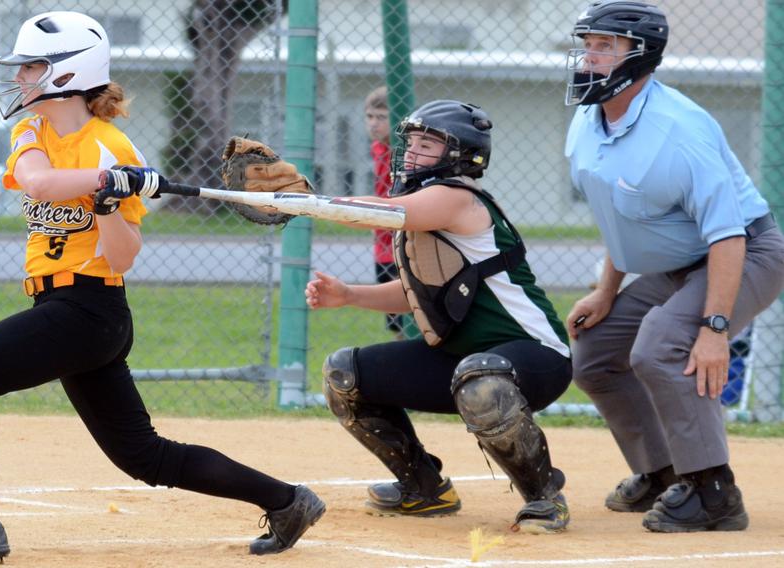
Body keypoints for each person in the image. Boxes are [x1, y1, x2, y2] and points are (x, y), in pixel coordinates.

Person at [0, 11, 323, 563]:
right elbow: (37, 179)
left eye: (31, 67)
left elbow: (124, 254)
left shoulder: (112, 147)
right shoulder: (32, 130)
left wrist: (109, 201)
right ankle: (288, 500)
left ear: (68, 74)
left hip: (90, 310)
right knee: (144, 456)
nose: (19, 79)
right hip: (60, 307)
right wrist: (102, 184)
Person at [564, 0, 784, 533]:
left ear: (641, 57)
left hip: (745, 252)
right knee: (594, 351)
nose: (589, 57)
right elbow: (622, 215)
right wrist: (605, 291)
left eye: (605, 47)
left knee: (664, 341)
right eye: (587, 44)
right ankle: (664, 472)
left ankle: (715, 493)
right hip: (680, 264)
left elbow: (728, 235)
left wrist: (714, 329)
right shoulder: (587, 122)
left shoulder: (679, 131)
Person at [306, 100, 574, 533]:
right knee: (346, 373)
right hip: (463, 363)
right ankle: (424, 488)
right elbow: (422, 294)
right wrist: (350, 294)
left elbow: (378, 212)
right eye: (410, 141)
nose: (411, 152)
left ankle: (544, 498)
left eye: (427, 144)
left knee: (483, 379)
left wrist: (305, 201)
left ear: (460, 154)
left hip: (537, 358)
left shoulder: (456, 199)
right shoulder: (425, 208)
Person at [363, 86, 405, 339]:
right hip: (383, 243)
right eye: (369, 117)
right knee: (396, 321)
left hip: (403, 240)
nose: (374, 124)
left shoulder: (407, 152)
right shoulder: (378, 148)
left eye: (381, 117)